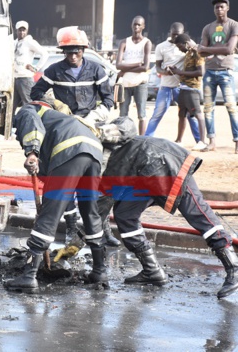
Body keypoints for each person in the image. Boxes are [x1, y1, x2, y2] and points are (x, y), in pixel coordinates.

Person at [57, 117, 238, 299]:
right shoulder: (94, 175)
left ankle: (233, 268)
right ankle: (152, 270)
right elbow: (96, 213)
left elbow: (127, 124)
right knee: (124, 214)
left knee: (197, 214)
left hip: (165, 163)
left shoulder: (96, 136)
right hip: (141, 178)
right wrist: (74, 245)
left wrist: (102, 131)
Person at [30, 26, 119, 247]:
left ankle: (103, 228)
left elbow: (108, 100)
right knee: (65, 176)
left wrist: (93, 117)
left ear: (84, 50)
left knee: (99, 179)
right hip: (64, 128)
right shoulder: (53, 71)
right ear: (63, 51)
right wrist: (55, 104)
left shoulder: (97, 70)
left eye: (77, 51)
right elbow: (35, 93)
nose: (73, 55)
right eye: (68, 51)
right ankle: (71, 228)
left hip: (91, 125)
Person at [4, 102, 107, 293]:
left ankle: (29, 276)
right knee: (90, 211)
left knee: (49, 216)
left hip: (69, 150)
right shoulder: (61, 120)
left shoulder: (30, 108)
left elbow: (31, 125)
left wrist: (32, 152)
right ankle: (99, 271)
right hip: (93, 152)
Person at [145, 22, 201, 144]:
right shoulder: (161, 47)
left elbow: (198, 54)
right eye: (174, 35)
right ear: (170, 32)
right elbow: (158, 67)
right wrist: (164, 72)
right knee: (157, 114)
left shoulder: (187, 44)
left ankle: (199, 141)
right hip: (165, 86)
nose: (176, 38)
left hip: (181, 87)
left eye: (179, 35)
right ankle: (146, 139)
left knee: (190, 115)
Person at [197, 0, 238, 153]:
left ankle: (236, 141)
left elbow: (229, 49)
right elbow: (201, 51)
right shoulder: (208, 28)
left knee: (232, 108)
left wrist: (208, 49)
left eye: (222, 6)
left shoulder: (234, 25)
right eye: (216, 7)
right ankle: (211, 141)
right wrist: (217, 48)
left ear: (227, 8)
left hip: (225, 71)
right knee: (208, 108)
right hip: (209, 72)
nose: (219, 9)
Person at [169, 33, 207, 150]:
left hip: (192, 89)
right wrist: (176, 71)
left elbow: (200, 72)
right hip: (184, 88)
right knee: (181, 115)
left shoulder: (197, 52)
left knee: (198, 114)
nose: (180, 50)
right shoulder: (188, 53)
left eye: (180, 47)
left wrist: (181, 73)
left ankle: (202, 142)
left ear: (185, 43)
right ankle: (179, 140)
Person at [116, 15, 151, 135]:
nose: (136, 26)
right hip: (125, 83)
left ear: (143, 26)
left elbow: (146, 67)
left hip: (140, 82)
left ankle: (142, 139)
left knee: (141, 114)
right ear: (131, 25)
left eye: (139, 24)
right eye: (134, 24)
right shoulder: (124, 42)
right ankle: (123, 137)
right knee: (123, 114)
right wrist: (137, 64)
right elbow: (118, 65)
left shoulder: (147, 43)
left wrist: (125, 69)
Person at [12, 20, 48, 125]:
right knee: (11, 106)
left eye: (24, 30)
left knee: (28, 105)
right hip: (14, 78)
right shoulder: (15, 42)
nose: (22, 33)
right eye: (20, 30)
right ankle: (10, 131)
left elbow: (44, 54)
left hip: (25, 78)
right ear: (16, 30)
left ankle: (32, 127)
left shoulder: (29, 42)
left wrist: (36, 68)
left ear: (27, 31)